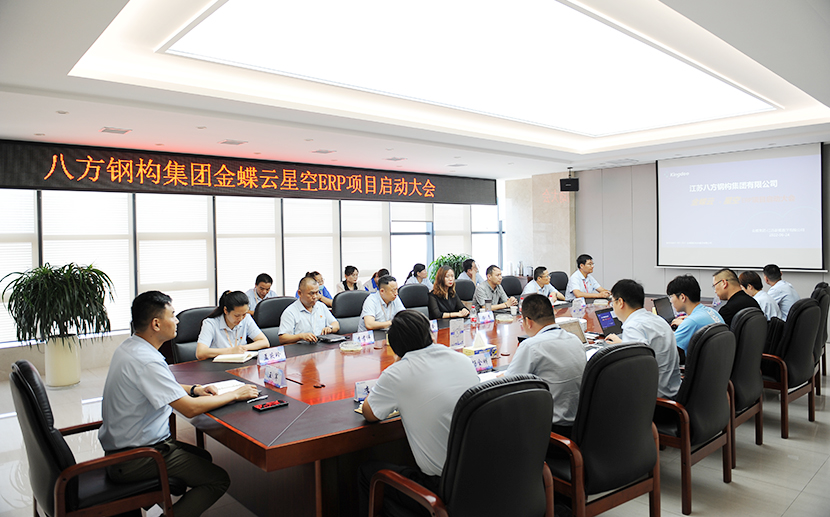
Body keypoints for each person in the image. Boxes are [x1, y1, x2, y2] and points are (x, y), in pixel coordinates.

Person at [99, 291, 259, 517]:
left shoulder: (131, 347)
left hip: (125, 449)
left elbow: (162, 385)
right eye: (173, 315)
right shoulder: (147, 360)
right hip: (138, 457)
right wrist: (235, 394)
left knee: (203, 458)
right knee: (218, 480)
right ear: (156, 324)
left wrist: (194, 389)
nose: (177, 321)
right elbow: (189, 409)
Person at [358, 310, 479, 517]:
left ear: (395, 346)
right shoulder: (461, 359)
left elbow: (370, 413)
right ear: (429, 334)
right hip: (483, 480)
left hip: (443, 491)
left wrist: (398, 362)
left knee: (367, 473)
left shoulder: (397, 373)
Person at [505, 294, 586, 436]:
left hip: (552, 431)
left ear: (528, 322)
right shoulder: (575, 339)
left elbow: (508, 387)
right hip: (580, 426)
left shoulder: (531, 346)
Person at [605, 279, 681, 399]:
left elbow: (634, 372)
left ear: (620, 302)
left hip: (656, 398)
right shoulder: (658, 320)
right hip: (673, 390)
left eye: (612, 302)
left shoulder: (633, 327)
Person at [195, 291, 269, 360]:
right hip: (218, 366)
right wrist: (232, 351)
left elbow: (264, 342)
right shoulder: (210, 323)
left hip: (241, 365)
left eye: (244, 314)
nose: (241, 318)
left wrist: (242, 348)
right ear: (226, 310)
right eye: (237, 315)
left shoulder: (246, 318)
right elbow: (200, 352)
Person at [666, 275, 724, 355]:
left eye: (672, 297)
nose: (671, 301)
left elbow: (668, 349)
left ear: (682, 297)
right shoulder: (712, 311)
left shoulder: (691, 322)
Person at [280, 276, 339, 344]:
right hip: (301, 347)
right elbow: (282, 338)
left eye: (317, 293)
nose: (315, 297)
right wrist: (300, 336)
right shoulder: (290, 312)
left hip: (321, 346)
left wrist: (330, 328)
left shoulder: (321, 306)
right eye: (311, 293)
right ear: (300, 293)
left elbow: (336, 324)